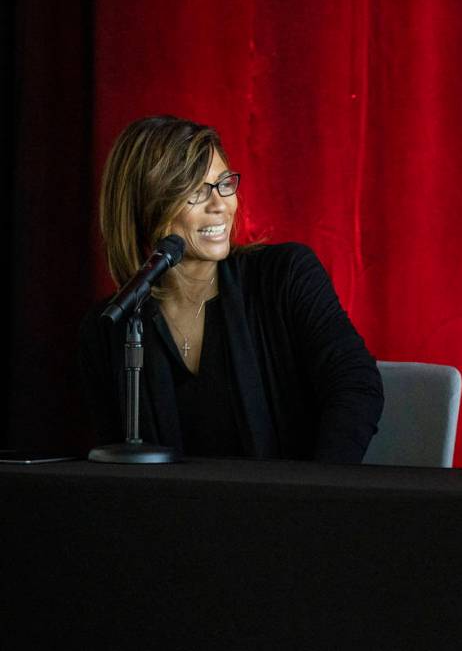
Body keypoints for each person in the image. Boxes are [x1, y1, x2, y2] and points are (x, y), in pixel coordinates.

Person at [79, 115, 383, 462]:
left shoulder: (285, 275)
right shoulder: (108, 328)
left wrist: (318, 494)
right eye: (196, 191)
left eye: (224, 183)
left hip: (285, 506)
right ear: (144, 206)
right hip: (175, 513)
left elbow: (357, 385)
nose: (221, 204)